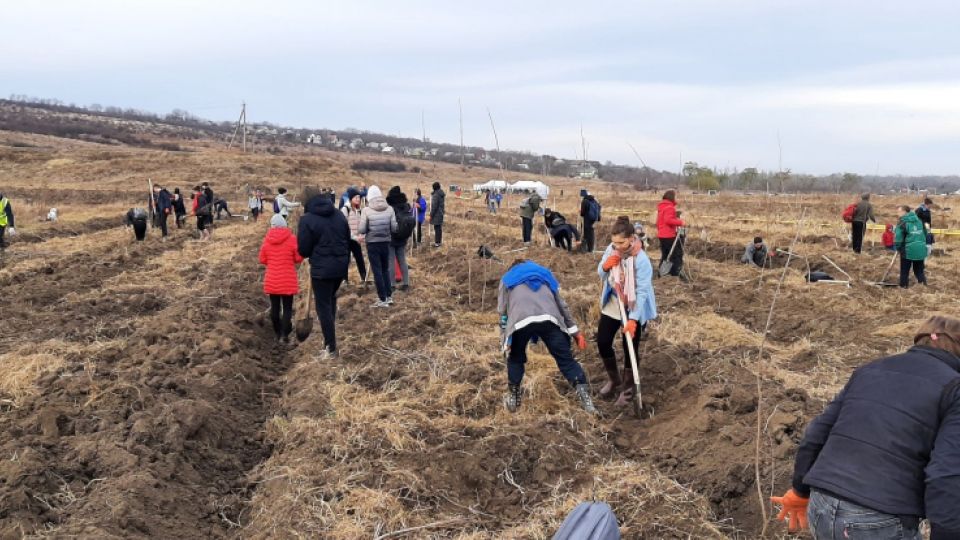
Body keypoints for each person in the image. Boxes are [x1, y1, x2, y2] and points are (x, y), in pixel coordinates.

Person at [771, 315, 960, 539]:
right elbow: (945, 474)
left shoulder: (870, 370)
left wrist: (800, 490)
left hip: (821, 505)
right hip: (878, 520)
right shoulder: (954, 388)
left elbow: (816, 433)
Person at [498, 259, 595, 414]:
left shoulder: (507, 278)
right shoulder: (544, 274)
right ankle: (585, 399)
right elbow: (562, 305)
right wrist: (575, 332)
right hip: (550, 319)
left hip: (520, 322)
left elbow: (503, 312)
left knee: (516, 358)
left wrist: (505, 341)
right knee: (566, 360)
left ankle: (514, 397)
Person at [596, 216, 657, 405]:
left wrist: (633, 319)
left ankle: (629, 387)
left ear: (631, 238)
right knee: (603, 341)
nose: (617, 246)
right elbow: (601, 272)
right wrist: (606, 265)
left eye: (621, 242)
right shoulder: (611, 249)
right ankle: (615, 380)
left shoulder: (642, 260)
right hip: (614, 303)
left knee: (629, 346)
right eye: (614, 242)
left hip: (634, 306)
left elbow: (642, 292)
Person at [297, 187, 351, 360]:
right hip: (341, 267)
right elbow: (346, 238)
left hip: (322, 269)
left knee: (323, 307)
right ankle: (330, 340)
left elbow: (303, 250)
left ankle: (331, 348)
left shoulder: (307, 220)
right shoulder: (339, 214)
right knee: (330, 300)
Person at [259, 214, 303, 345]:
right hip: (288, 279)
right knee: (288, 308)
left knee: (275, 308)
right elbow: (298, 258)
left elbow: (262, 259)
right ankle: (285, 335)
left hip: (272, 279)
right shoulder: (292, 239)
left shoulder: (267, 240)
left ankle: (278, 333)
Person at [359, 186, 398, 307]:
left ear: (369, 196)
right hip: (385, 242)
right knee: (385, 269)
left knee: (377, 271)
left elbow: (362, 229)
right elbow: (394, 228)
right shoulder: (390, 209)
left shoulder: (366, 210)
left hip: (372, 244)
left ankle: (382, 299)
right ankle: (389, 296)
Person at [386, 186, 414, 291]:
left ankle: (392, 285)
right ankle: (406, 283)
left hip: (392, 237)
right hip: (403, 237)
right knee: (402, 260)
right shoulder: (406, 206)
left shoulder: (390, 207)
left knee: (391, 261)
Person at [895, 205, 928, 288]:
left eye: (899, 211)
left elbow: (898, 237)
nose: (897, 214)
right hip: (921, 249)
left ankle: (903, 287)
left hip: (908, 250)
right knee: (919, 271)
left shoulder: (902, 222)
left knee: (904, 271)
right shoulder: (919, 221)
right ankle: (923, 286)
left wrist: (898, 247)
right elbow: (925, 233)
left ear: (905, 212)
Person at [656, 190, 686, 279]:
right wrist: (680, 222)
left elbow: (658, 222)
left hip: (662, 235)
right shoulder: (670, 207)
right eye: (676, 196)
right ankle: (675, 274)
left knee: (665, 255)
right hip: (669, 235)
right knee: (676, 255)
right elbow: (668, 220)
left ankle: (662, 273)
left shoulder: (662, 207)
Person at [340, 188, 368, 284]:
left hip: (356, 239)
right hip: (346, 239)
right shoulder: (345, 209)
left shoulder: (358, 210)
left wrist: (361, 235)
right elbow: (344, 227)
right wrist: (355, 237)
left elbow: (360, 225)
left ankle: (364, 278)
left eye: (359, 197)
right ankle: (344, 280)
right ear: (351, 198)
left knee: (359, 258)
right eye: (356, 197)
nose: (358, 199)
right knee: (346, 259)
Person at [428, 181, 445, 247]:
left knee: (437, 228)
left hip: (437, 214)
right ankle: (438, 242)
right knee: (439, 228)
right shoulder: (441, 194)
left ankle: (437, 243)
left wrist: (431, 215)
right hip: (441, 213)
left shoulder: (436, 196)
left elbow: (434, 207)